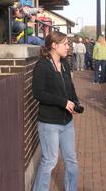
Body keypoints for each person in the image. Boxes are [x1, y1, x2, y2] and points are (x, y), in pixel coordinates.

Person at [32, 31, 80, 191]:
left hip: (67, 122)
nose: (68, 47)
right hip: (49, 123)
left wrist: (75, 102)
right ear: (54, 45)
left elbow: (70, 87)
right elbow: (38, 93)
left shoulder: (65, 64)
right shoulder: (42, 65)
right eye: (65, 43)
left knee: (71, 160)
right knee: (50, 160)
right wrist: (62, 102)